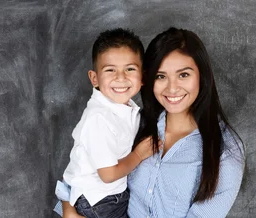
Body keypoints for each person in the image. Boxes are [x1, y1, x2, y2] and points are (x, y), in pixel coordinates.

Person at [61, 27, 245, 218]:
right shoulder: (135, 125)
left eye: (183, 75)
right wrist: (68, 209)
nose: (172, 88)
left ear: (202, 76)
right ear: (147, 79)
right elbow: (82, 168)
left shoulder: (225, 150)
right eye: (161, 76)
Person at [57, 28, 154, 218]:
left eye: (130, 69)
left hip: (102, 196)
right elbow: (108, 175)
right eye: (110, 70)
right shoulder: (99, 118)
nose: (121, 77)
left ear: (142, 76)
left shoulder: (123, 109)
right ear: (94, 78)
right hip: (100, 200)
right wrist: (139, 155)